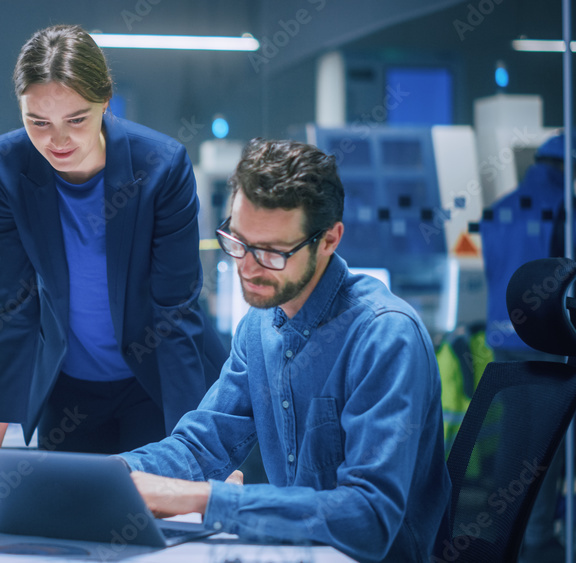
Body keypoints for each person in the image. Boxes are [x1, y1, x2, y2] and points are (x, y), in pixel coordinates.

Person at [119, 138, 451, 562]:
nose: (247, 267)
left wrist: (205, 500)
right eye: (237, 241)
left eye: (272, 252)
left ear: (329, 240)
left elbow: (368, 518)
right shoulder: (259, 326)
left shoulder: (385, 336)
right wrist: (111, 476)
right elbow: (201, 446)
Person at [0, 25, 225, 471]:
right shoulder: (2, 167)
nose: (57, 141)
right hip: (68, 389)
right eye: (37, 122)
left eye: (77, 119)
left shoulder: (161, 166)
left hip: (154, 384)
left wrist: (199, 451)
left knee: (154, 521)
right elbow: (14, 303)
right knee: (67, 528)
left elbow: (175, 313)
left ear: (105, 102)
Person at [480, 133, 569, 562]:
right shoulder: (563, 208)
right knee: (548, 440)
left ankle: (505, 534)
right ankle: (536, 539)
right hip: (548, 338)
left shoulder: (499, 209)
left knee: (517, 437)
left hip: (505, 333)